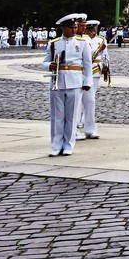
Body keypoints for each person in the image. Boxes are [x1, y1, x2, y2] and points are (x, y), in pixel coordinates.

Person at [42, 14, 93, 156]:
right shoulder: (54, 43)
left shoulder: (82, 43)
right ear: (62, 28)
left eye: (75, 27)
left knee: (71, 116)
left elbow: (87, 64)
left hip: (75, 81)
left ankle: (68, 144)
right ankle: (56, 145)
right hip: (57, 80)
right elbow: (44, 62)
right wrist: (49, 65)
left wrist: (87, 81)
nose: (74, 30)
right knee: (57, 116)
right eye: (71, 28)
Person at [79, 20, 109, 140]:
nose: (92, 31)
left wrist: (106, 67)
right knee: (79, 100)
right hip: (81, 71)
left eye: (94, 28)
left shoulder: (101, 40)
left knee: (90, 100)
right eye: (90, 29)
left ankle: (90, 128)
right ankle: (77, 125)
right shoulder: (81, 39)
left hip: (95, 70)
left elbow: (105, 55)